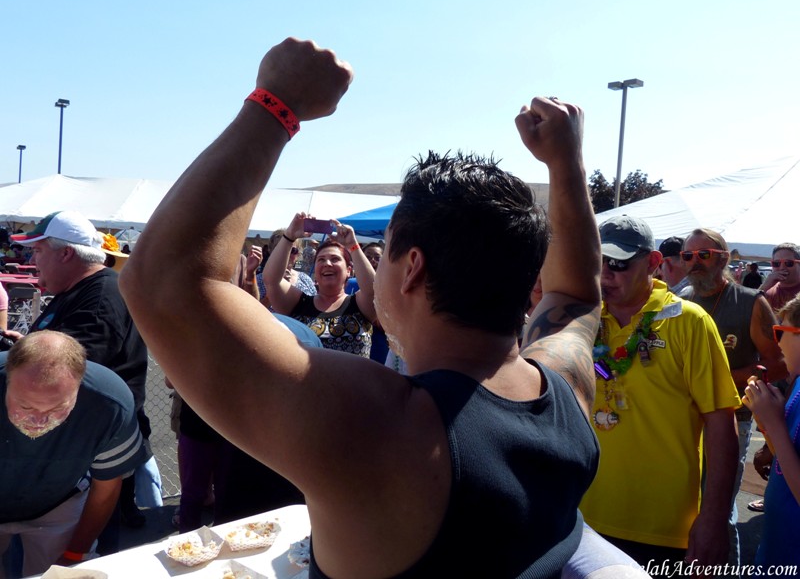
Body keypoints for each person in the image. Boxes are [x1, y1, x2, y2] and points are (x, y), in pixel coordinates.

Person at [119, 37, 600, 578]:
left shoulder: (380, 426)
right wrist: (567, 162)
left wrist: (275, 104)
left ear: (412, 267)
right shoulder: (565, 389)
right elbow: (577, 294)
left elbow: (164, 282)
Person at [580, 215, 740, 568]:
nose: (606, 274)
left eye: (619, 263)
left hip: (663, 528)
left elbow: (720, 423)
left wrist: (713, 518)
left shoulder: (689, 321)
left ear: (653, 263)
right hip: (582, 520)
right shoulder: (585, 319)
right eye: (597, 262)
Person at [7, 211, 153, 540]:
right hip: (73, 448)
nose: (32, 259)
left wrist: (13, 360)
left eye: (38, 250)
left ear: (66, 253)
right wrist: (24, 349)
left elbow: (62, 375)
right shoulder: (80, 288)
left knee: (78, 558)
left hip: (88, 454)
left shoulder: (100, 296)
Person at [679, 228, 787, 567]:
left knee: (719, 508)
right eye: (687, 256)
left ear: (724, 258)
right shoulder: (681, 302)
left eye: (704, 255)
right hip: (684, 418)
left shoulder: (751, 302)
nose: (695, 262)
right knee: (689, 505)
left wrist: (729, 376)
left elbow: (780, 366)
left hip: (731, 420)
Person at [0, 331, 147, 577]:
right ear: (7, 378)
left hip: (60, 502)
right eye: (25, 405)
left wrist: (75, 553)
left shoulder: (109, 402)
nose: (38, 420)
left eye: (58, 407)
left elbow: (107, 486)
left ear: (80, 386)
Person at [264, 218, 376, 357]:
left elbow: (373, 290)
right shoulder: (298, 303)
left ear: (349, 270)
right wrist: (289, 235)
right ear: (315, 269)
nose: (327, 263)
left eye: (335, 259)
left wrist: (352, 245)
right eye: (321, 259)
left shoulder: (359, 304)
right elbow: (271, 281)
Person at [743, 295, 800, 567]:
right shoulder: (796, 385)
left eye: (781, 331)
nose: (777, 342)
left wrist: (775, 426)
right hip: (777, 550)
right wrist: (766, 420)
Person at [761, 243, 800, 313]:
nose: (782, 267)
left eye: (788, 263)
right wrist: (763, 287)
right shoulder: (767, 291)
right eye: (776, 263)